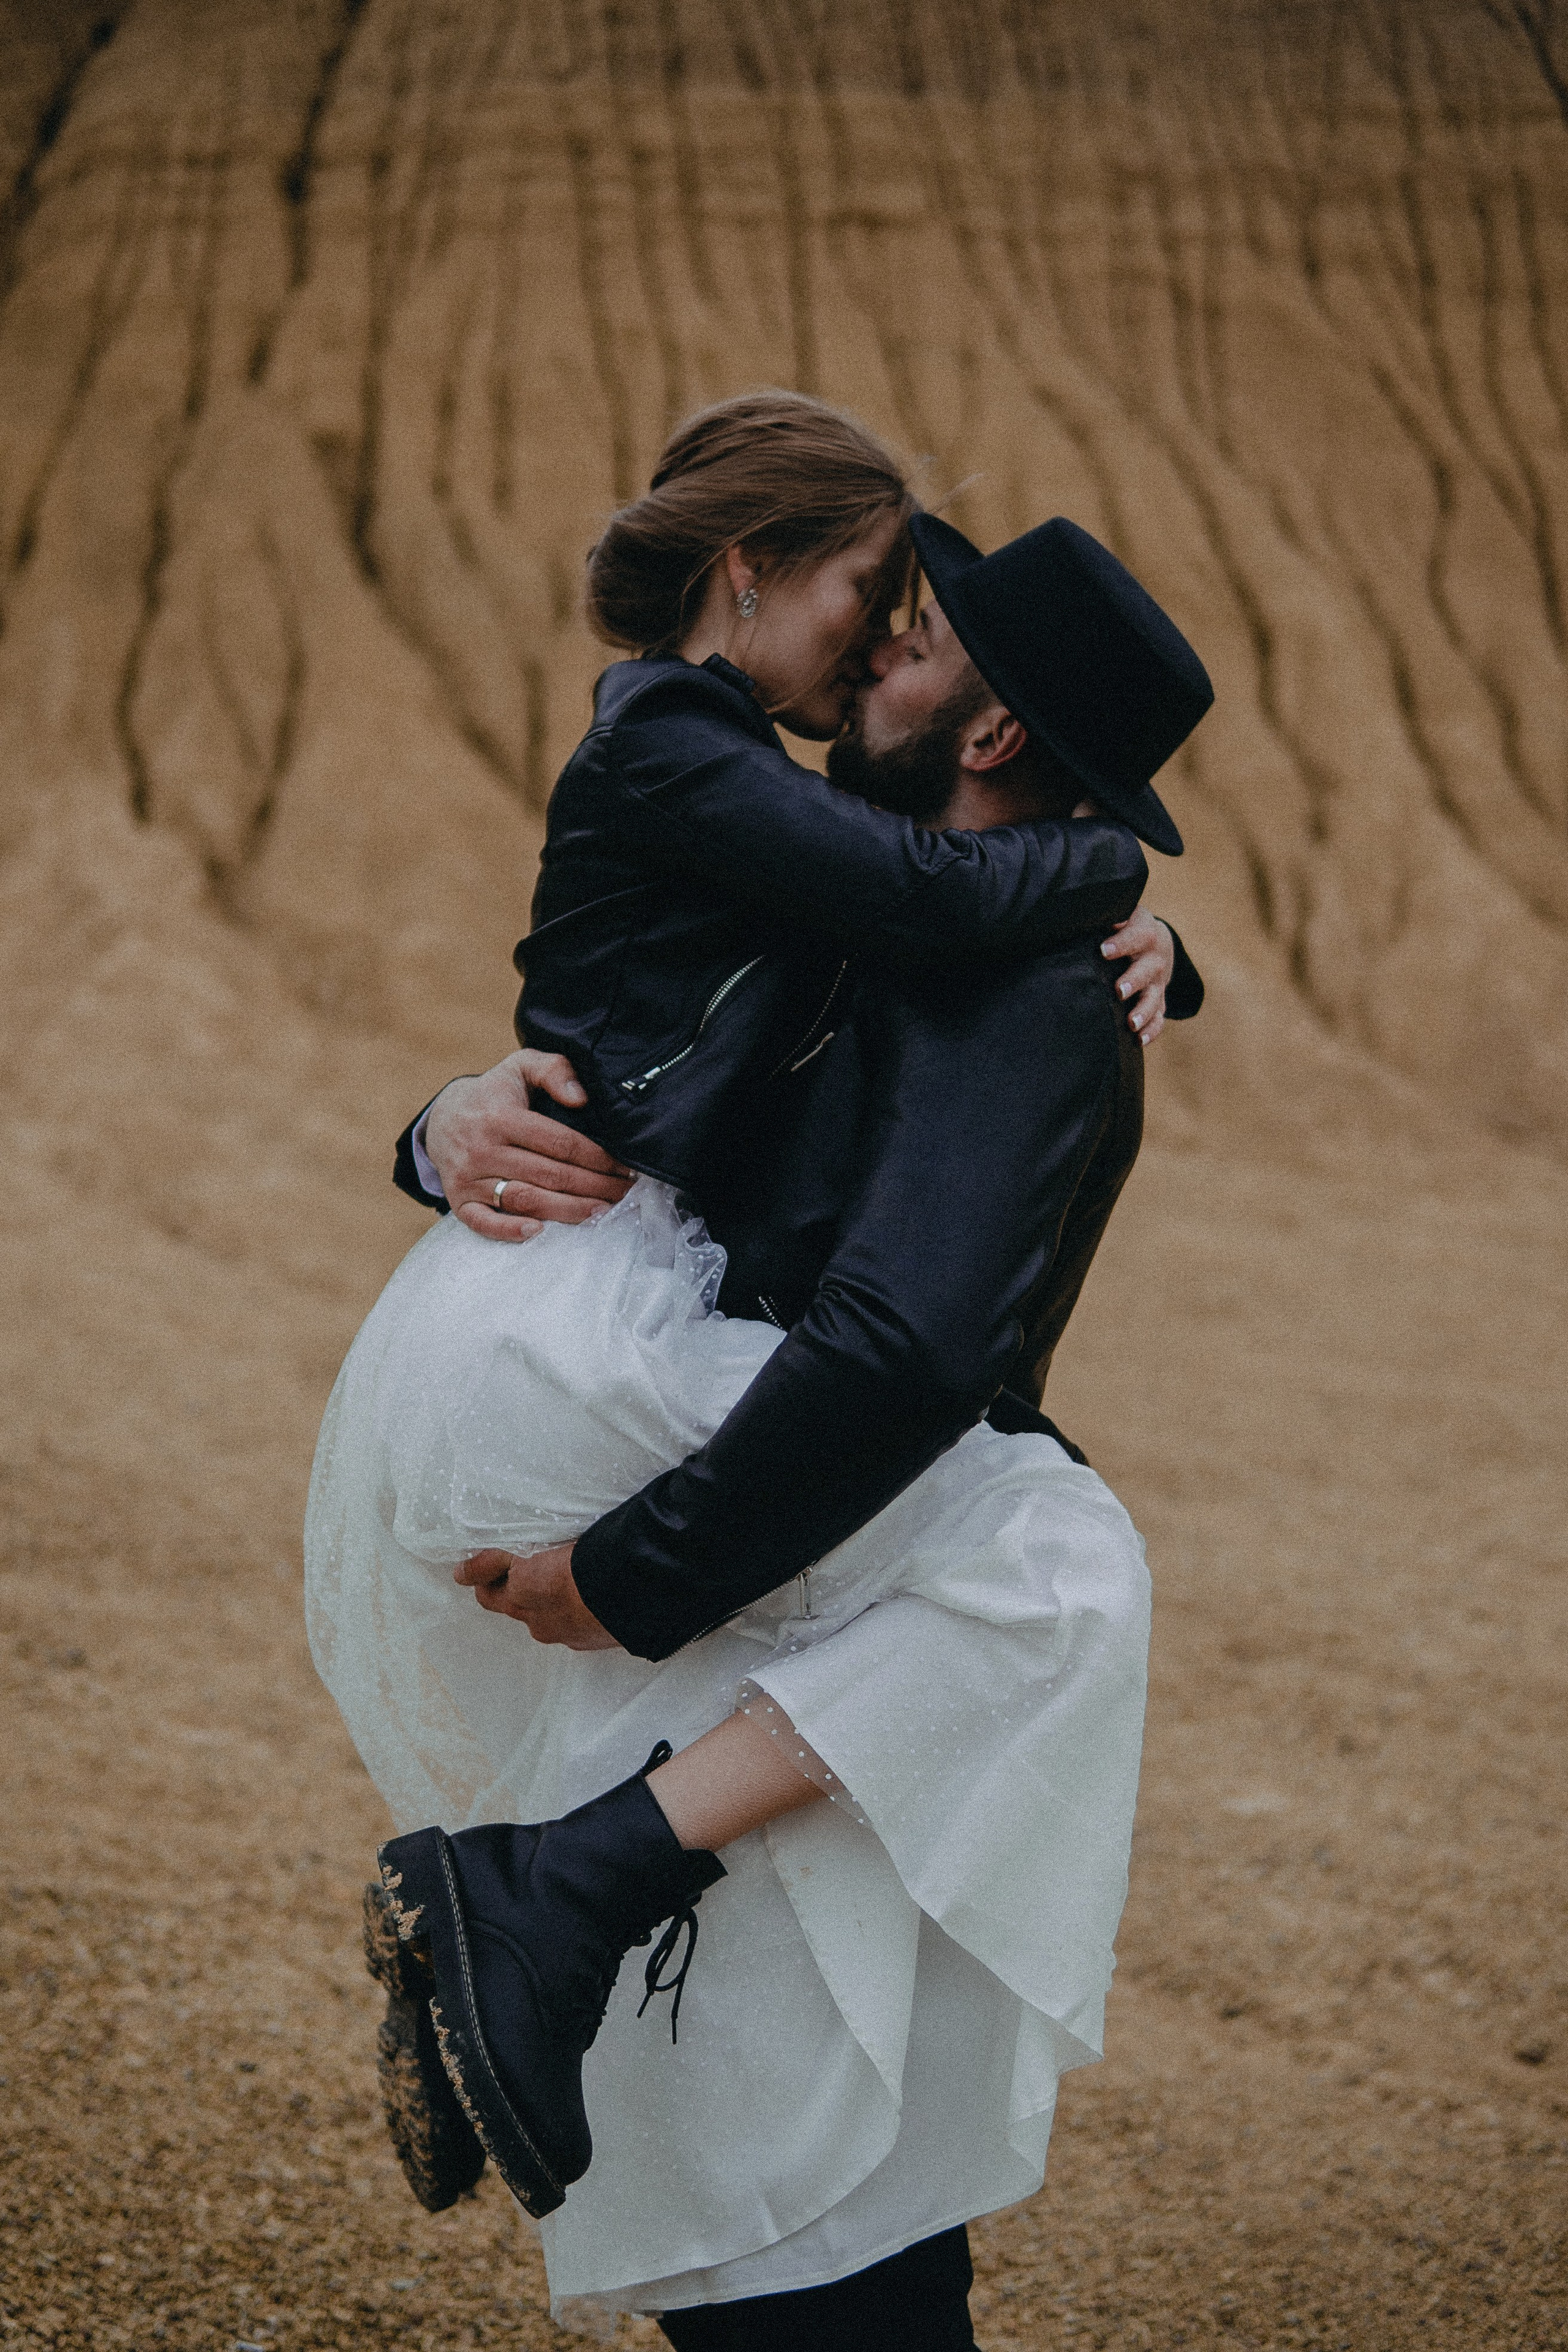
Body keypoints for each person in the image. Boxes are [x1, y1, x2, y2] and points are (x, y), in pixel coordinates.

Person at [304, 394, 1212, 2344]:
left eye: (914, 636)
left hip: (675, 1480)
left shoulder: (999, 968)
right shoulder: (853, 882)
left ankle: (554, 1913)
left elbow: (899, 1332)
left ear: (990, 731)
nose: (875, 648)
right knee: (1059, 1576)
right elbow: (657, 1087)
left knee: (793, 2147)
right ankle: (554, 1901)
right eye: (877, 604)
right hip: (644, 1438)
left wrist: (1127, 921)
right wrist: (444, 1123)